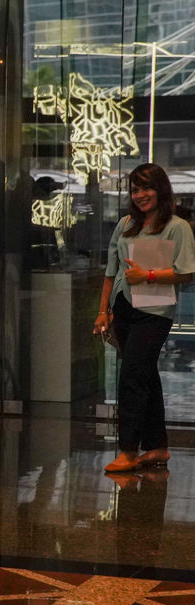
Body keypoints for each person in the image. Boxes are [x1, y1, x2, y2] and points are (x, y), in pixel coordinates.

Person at [94, 163, 195, 472]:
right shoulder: (126, 223)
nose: (140, 195)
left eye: (146, 188)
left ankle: (127, 450)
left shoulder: (177, 226)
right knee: (145, 375)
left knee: (132, 378)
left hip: (155, 312)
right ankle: (158, 447)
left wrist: (148, 275)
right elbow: (111, 272)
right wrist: (102, 312)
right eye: (135, 190)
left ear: (161, 190)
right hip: (123, 308)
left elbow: (186, 271)